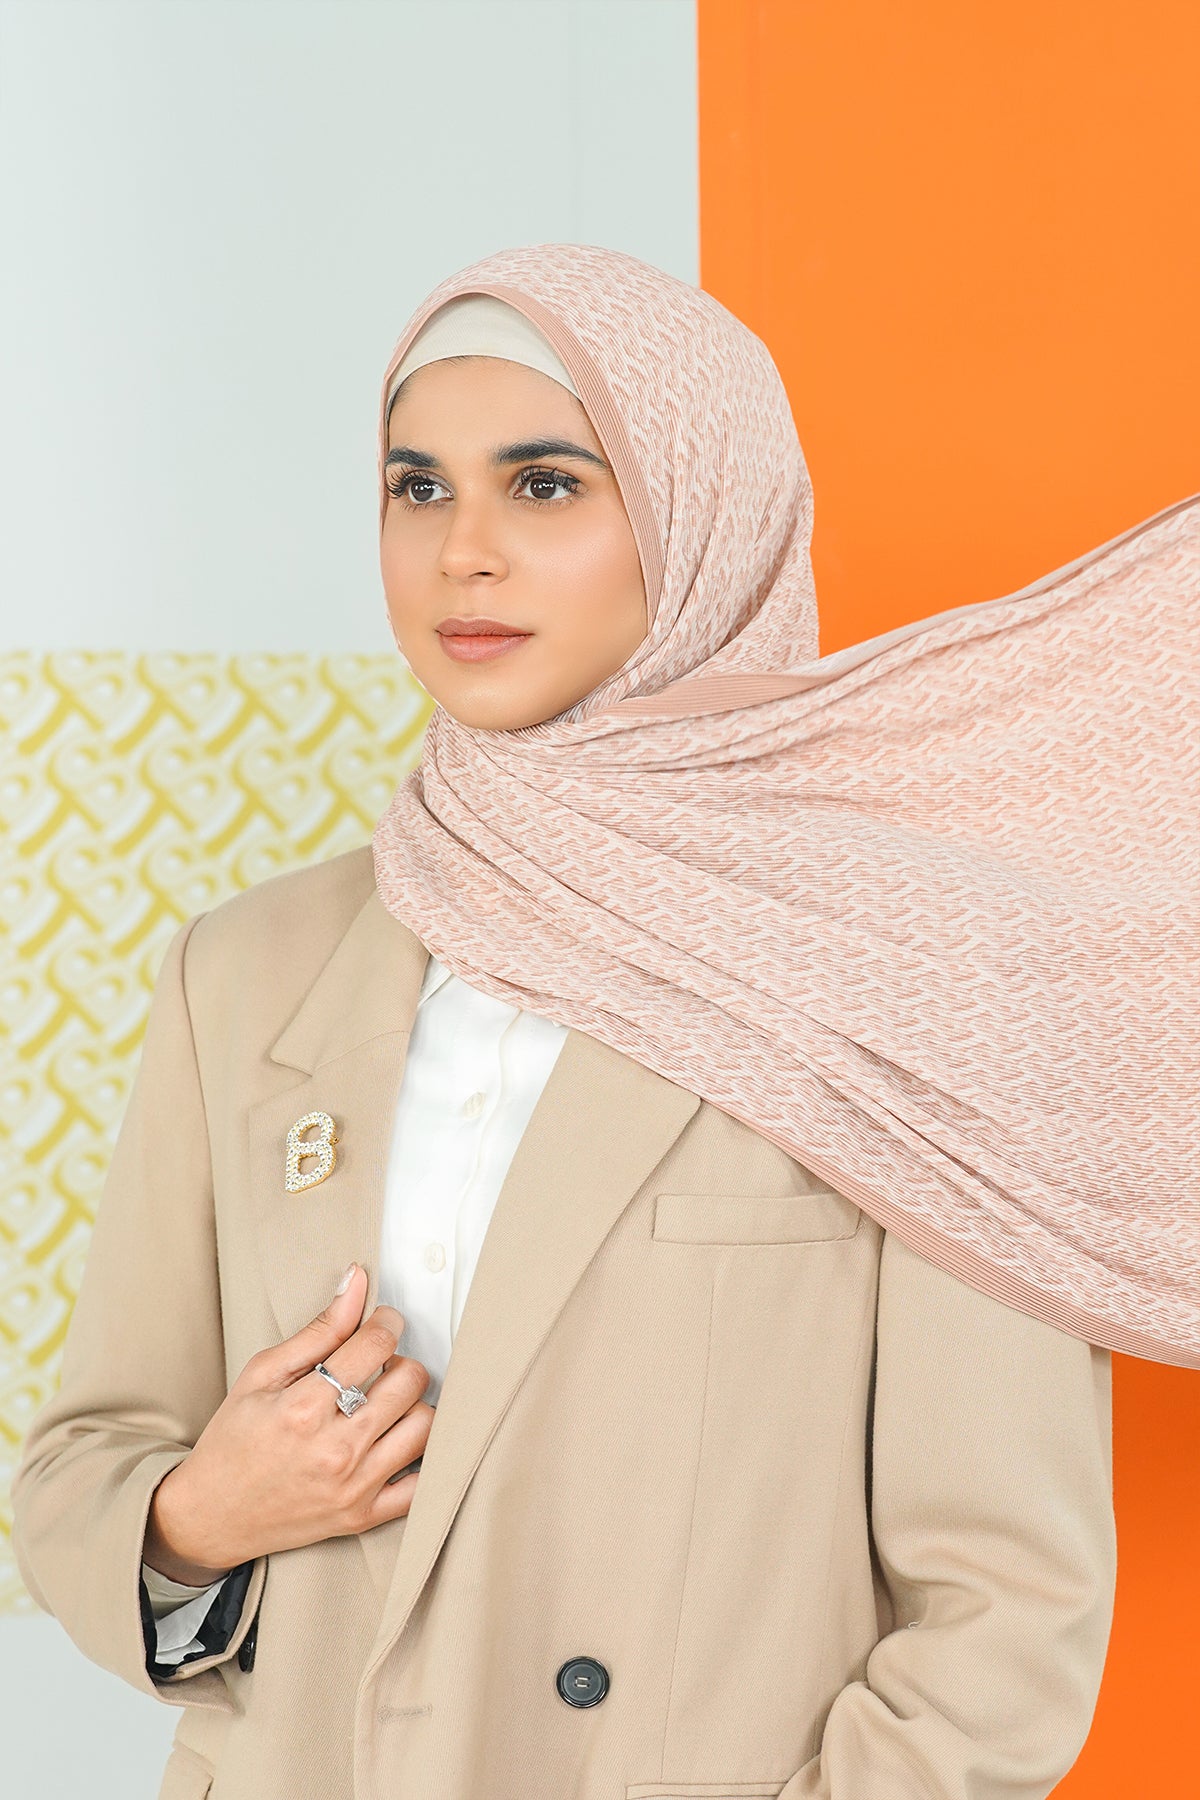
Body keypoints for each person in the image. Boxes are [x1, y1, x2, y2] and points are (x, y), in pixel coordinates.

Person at [21, 235, 1200, 1800]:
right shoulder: (244, 969)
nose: (464, 553)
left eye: (546, 484)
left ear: (704, 517)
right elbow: (82, 1470)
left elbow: (1005, 1618)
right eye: (418, 487)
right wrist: (200, 1520)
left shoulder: (901, 968)